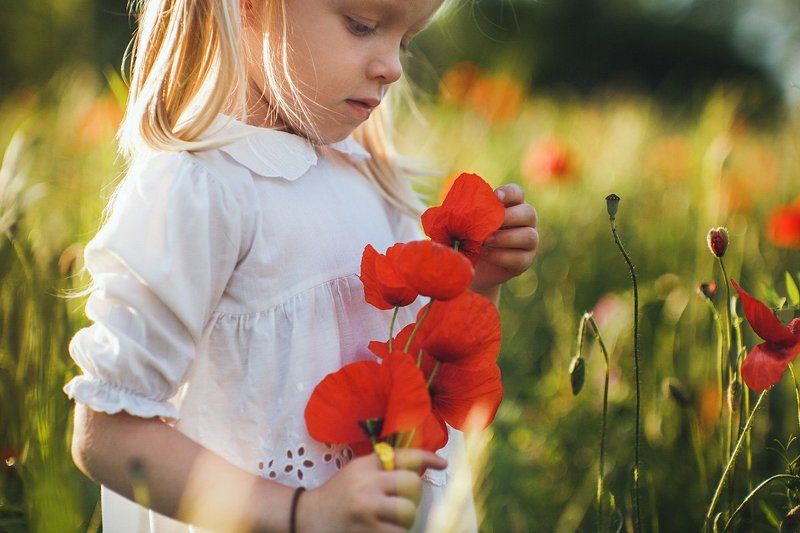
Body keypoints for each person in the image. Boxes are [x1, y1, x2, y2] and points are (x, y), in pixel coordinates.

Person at [64, 0, 540, 530]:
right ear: (249, 8)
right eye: (362, 26)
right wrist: (302, 512)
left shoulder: (369, 176)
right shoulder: (201, 190)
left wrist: (477, 285)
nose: (393, 67)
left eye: (407, 41)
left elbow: (419, 373)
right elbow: (107, 434)